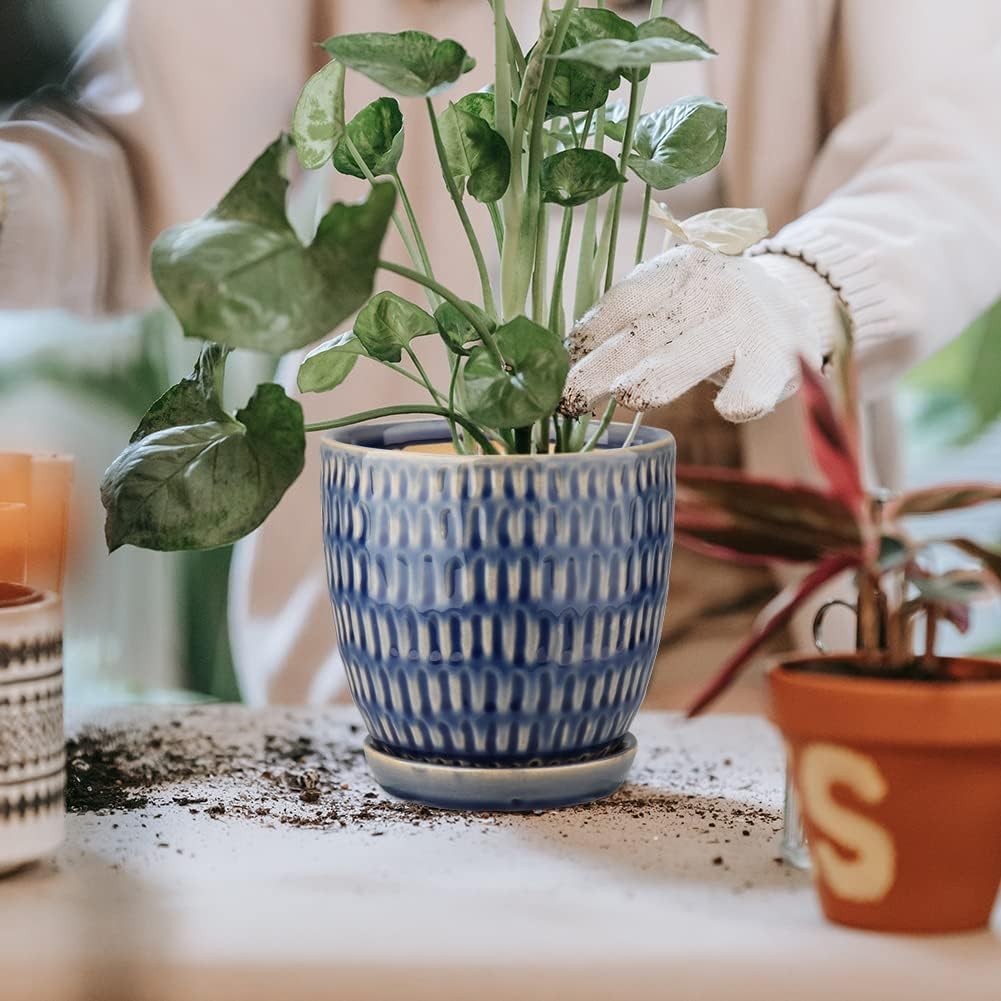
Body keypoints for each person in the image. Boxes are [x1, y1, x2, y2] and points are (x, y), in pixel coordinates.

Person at [2, 1, 1000, 710]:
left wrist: (798, 284)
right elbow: (142, 173)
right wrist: (24, 205)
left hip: (727, 579)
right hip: (406, 605)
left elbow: (952, 151)